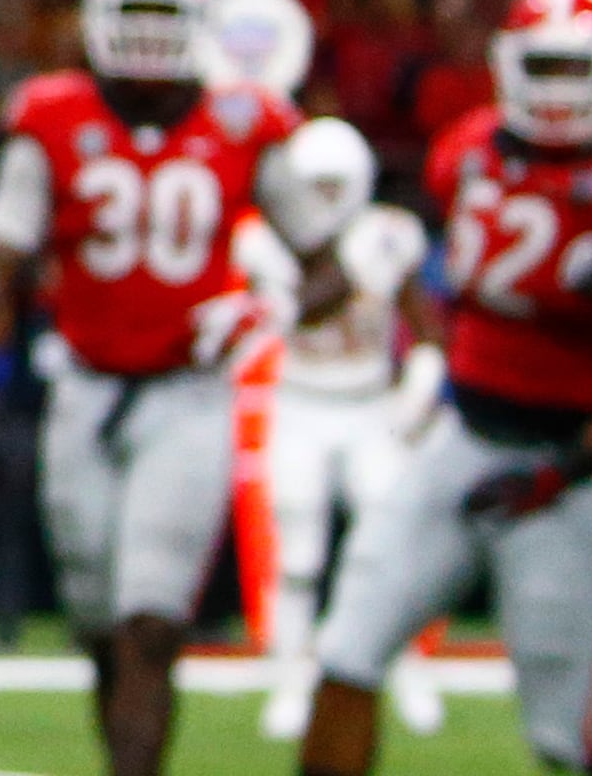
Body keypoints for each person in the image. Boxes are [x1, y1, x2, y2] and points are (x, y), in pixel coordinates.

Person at [0, 0, 305, 776]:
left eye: (168, 13)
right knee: (97, 628)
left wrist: (258, 310)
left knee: (150, 623)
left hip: (190, 396)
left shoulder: (245, 119)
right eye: (136, 12)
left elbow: (330, 266)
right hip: (83, 390)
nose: (152, 32)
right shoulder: (53, 114)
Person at [296, 0, 592, 776]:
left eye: (573, 69)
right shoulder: (466, 150)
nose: (554, 89)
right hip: (463, 440)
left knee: (565, 739)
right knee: (346, 653)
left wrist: (563, 471)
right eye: (541, 66)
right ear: (508, 62)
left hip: (571, 464)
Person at [237, 121, 445, 741]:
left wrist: (419, 389)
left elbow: (427, 326)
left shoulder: (389, 236)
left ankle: (405, 664)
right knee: (298, 550)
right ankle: (292, 678)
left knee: (386, 544)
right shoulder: (262, 240)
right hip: (298, 402)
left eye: (335, 184)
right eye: (314, 185)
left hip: (369, 405)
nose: (324, 197)